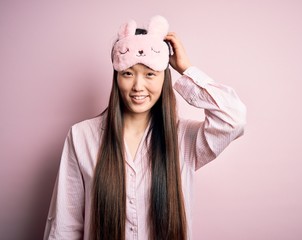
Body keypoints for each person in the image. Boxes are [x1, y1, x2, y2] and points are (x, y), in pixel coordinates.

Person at [44, 15, 246, 240]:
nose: (138, 86)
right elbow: (65, 226)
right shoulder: (81, 136)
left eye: (150, 74)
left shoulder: (183, 138)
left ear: (164, 77)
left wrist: (186, 69)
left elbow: (233, 118)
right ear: (117, 76)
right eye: (128, 74)